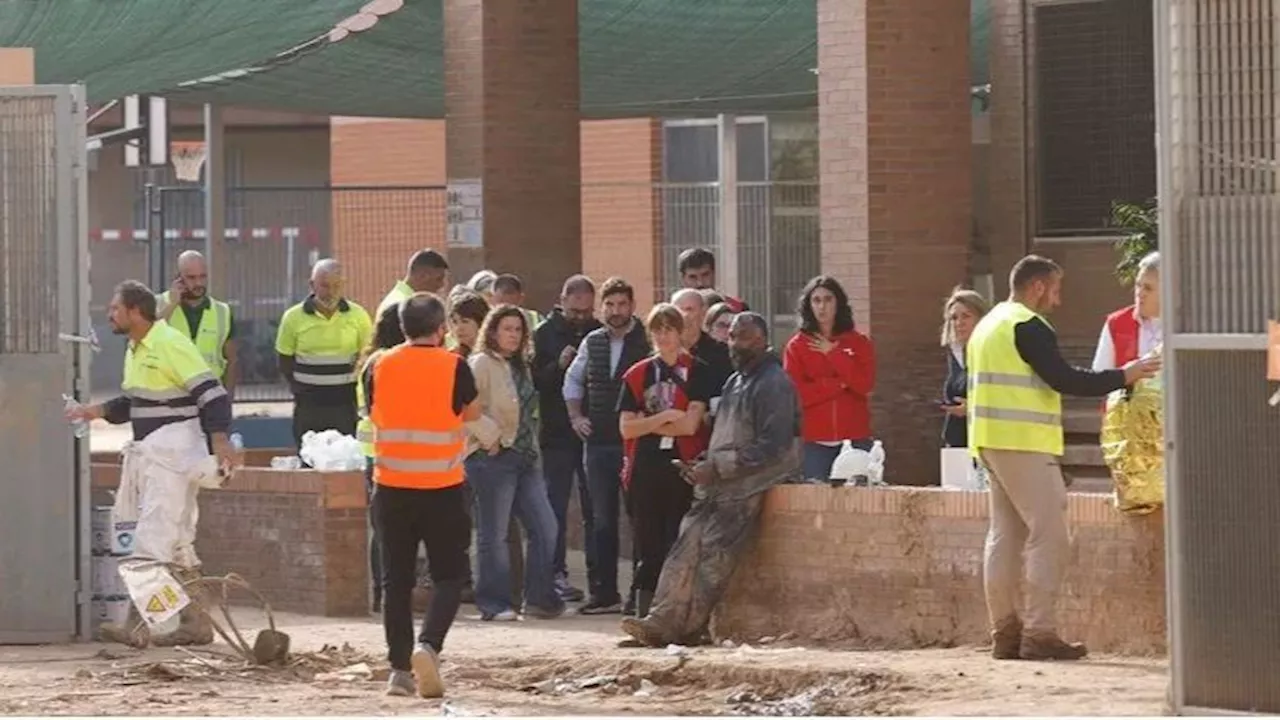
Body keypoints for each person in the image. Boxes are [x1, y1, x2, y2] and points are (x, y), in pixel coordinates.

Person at [968, 254, 1161, 661]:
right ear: (1037, 286)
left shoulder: (988, 325)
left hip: (989, 441)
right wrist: (1126, 374)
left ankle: (1004, 632)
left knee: (1004, 536)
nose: (1057, 301)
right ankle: (1039, 632)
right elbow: (1066, 379)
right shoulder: (1028, 325)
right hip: (1024, 442)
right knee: (1050, 535)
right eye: (1055, 290)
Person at [69, 281, 237, 648]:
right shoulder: (137, 348)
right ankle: (195, 623)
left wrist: (221, 441)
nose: (109, 314)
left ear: (134, 312)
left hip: (173, 456)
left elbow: (212, 393)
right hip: (158, 454)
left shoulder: (169, 343)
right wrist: (92, 411)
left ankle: (137, 624)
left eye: (115, 308)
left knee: (151, 541)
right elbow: (136, 402)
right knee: (177, 542)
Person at [620, 312, 801, 647]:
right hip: (718, 483)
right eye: (731, 336)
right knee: (684, 548)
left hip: (749, 485)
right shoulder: (735, 381)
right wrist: (702, 463)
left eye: (742, 337)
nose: (734, 343)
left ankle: (689, 628)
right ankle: (660, 621)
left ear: (761, 341)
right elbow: (723, 436)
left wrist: (719, 466)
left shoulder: (773, 382)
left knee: (713, 556)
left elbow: (775, 448)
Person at [363, 292, 479, 698]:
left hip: (391, 489)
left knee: (395, 582)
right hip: (442, 489)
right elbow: (472, 415)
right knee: (449, 577)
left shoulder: (378, 366)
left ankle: (399, 671)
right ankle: (428, 645)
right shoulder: (455, 366)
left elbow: (372, 411)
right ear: (440, 327)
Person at [464, 305, 565, 621]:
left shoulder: (521, 365)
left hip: (525, 457)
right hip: (492, 457)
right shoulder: (480, 363)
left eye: (518, 330)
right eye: (506, 328)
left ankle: (538, 598)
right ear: (492, 331)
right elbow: (463, 407)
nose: (513, 335)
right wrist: (490, 438)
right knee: (494, 535)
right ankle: (494, 604)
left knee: (546, 527)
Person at [617, 304, 716, 618]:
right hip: (645, 465)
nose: (664, 336)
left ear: (680, 331)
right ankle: (645, 611)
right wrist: (665, 417)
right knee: (648, 542)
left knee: (679, 538)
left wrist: (648, 422)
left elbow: (690, 425)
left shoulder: (698, 369)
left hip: (683, 463)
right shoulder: (637, 374)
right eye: (657, 330)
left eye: (669, 329)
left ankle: (676, 610)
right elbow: (625, 427)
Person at [563, 277, 651, 615]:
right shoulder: (592, 341)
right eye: (610, 305)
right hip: (598, 443)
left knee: (638, 518)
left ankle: (639, 595)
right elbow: (572, 379)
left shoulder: (645, 340)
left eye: (622, 305)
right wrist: (575, 417)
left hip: (635, 443)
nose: (616, 311)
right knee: (600, 519)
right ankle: (604, 593)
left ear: (631, 306)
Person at [532, 274, 602, 603]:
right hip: (557, 433)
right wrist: (557, 367)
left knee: (594, 508)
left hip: (591, 431)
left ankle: (597, 574)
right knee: (554, 506)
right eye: (574, 312)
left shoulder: (598, 333)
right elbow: (534, 383)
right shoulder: (544, 335)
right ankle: (555, 572)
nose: (580, 319)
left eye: (586, 312)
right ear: (562, 302)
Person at [782, 276, 877, 482]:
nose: (822, 306)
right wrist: (839, 384)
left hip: (855, 438)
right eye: (816, 300)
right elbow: (797, 395)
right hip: (815, 442)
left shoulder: (858, 342)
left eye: (828, 299)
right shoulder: (797, 346)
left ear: (838, 303)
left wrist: (834, 354)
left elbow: (864, 384)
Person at [276, 259, 373, 449]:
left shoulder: (358, 315)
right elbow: (284, 358)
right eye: (325, 286)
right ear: (312, 285)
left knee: (346, 458)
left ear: (343, 284)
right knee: (309, 459)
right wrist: (298, 389)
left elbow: (367, 357)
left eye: (336, 286)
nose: (330, 292)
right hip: (309, 406)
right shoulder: (293, 318)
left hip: (345, 405)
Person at [356, 304, 407, 613]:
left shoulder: (372, 361)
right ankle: (385, 591)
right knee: (386, 528)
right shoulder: (384, 363)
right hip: (383, 452)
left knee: (384, 528)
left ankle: (383, 591)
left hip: (375, 451)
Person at [156, 251, 237, 396]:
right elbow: (148, 337)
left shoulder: (222, 311)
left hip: (210, 396)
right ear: (178, 278)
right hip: (170, 395)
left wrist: (228, 398)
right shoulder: (158, 304)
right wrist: (172, 304)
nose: (198, 283)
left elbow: (232, 359)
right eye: (191, 278)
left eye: (203, 276)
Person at [1092, 251, 1161, 371]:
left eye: (1148, 288)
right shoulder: (1117, 323)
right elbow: (1100, 377)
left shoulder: (1187, 325)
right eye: (1138, 285)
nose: (1139, 293)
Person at [940, 288, 990, 449]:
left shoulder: (990, 352)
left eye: (966, 316)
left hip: (984, 442)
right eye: (953, 318)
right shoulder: (955, 353)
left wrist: (972, 408)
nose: (958, 323)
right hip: (957, 442)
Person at [671, 289, 734, 395]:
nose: (684, 316)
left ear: (703, 313)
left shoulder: (723, 354)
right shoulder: (663, 354)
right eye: (678, 310)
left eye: (690, 309)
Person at [377, 250, 451, 318]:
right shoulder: (400, 306)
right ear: (423, 275)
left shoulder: (401, 301)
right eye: (439, 279)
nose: (442, 285)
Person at [676, 247, 748, 313]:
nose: (700, 283)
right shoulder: (675, 312)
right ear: (682, 278)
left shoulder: (736, 307)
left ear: (714, 274)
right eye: (693, 277)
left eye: (705, 275)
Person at [448, 289, 490, 358]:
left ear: (481, 323)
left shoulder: (494, 355)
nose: (458, 328)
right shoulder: (452, 356)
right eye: (455, 322)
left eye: (465, 321)